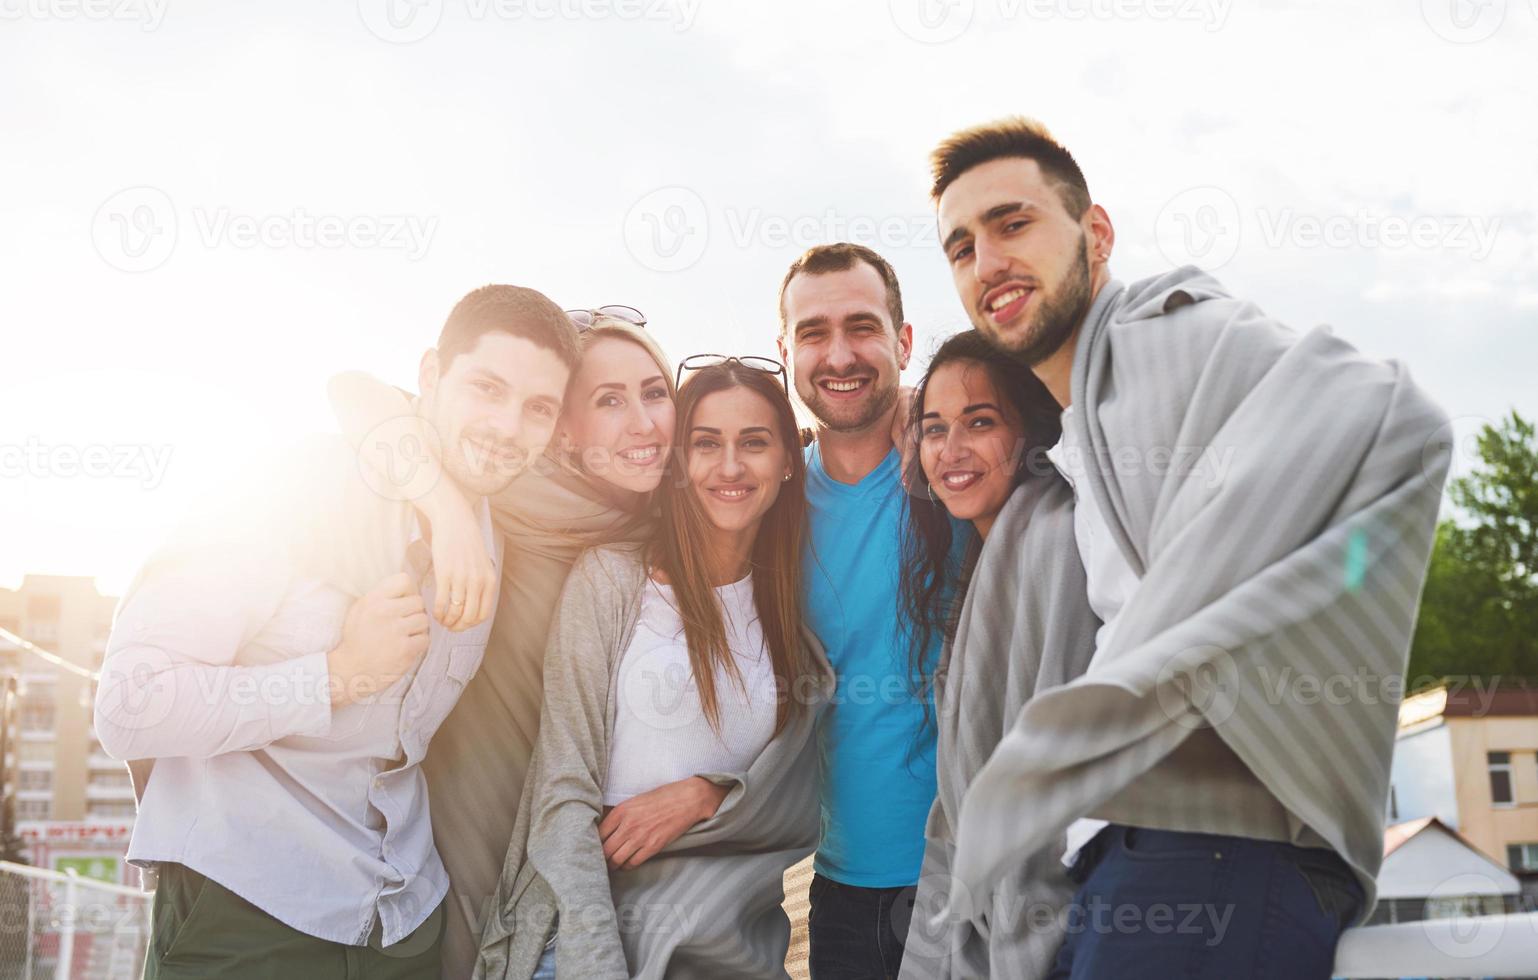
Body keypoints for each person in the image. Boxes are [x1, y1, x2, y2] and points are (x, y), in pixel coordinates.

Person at [928, 117, 1451, 978]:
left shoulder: (1163, 333)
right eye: (961, 247)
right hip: (1127, 864)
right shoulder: (1084, 436)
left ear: (1095, 235)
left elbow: (1393, 417)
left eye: (1013, 224)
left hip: (1217, 851)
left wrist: (1159, 655)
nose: (987, 263)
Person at [95, 285, 580, 979]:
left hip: (404, 928)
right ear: (430, 376)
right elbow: (128, 707)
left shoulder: (499, 527)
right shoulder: (294, 486)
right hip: (249, 916)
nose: (508, 426)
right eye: (487, 387)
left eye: (538, 408)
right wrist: (339, 671)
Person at [327, 308, 676, 978]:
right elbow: (353, 391)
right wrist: (450, 513)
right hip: (459, 840)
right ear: (561, 429)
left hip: (592, 868)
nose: (641, 421)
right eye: (608, 399)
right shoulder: (501, 487)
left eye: (654, 392)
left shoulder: (673, 526)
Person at [477, 358, 834, 979]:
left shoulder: (789, 620)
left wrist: (706, 793)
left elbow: (794, 798)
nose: (728, 467)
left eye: (753, 442)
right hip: (588, 942)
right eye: (705, 444)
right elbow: (563, 794)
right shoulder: (612, 580)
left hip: (731, 950)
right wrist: (596, 963)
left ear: (786, 461)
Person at [776, 243, 961, 980]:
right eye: (813, 333)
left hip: (977, 871)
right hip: (842, 891)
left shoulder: (959, 474)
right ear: (785, 350)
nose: (840, 354)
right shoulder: (766, 505)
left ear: (904, 343)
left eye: (862, 327)